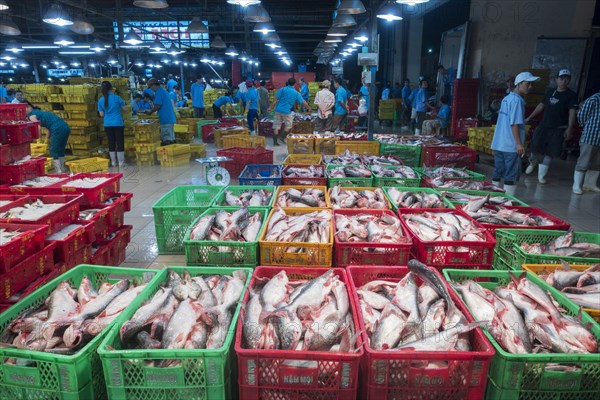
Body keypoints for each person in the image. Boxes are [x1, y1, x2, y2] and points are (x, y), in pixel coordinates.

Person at [524, 69, 578, 184]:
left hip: (559, 127)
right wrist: (529, 117)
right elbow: (541, 105)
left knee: (551, 151)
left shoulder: (571, 95)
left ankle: (541, 175)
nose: (564, 81)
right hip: (544, 125)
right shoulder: (550, 91)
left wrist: (570, 127)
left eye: (567, 79)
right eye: (561, 78)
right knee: (534, 145)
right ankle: (533, 162)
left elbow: (572, 112)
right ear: (556, 79)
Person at [490, 71, 540, 195]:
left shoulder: (507, 99)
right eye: (528, 84)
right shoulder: (517, 101)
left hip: (499, 143)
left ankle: (492, 198)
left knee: (498, 172)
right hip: (510, 145)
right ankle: (507, 202)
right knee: (511, 174)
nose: (530, 87)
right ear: (519, 84)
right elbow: (514, 124)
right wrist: (518, 144)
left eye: (531, 84)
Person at [25, 101, 70, 173]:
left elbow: (38, 127)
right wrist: (46, 139)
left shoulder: (31, 115)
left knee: (53, 150)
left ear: (28, 107)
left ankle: (58, 171)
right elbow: (49, 127)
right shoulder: (39, 112)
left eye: (25, 109)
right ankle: (62, 169)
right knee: (60, 149)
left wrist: (38, 140)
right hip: (65, 127)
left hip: (57, 128)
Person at [572, 89, 600, 194]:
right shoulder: (594, 99)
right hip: (590, 135)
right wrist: (586, 127)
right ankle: (577, 185)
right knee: (584, 161)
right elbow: (581, 115)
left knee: (597, 163)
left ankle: (590, 184)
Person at [269, 78, 311, 146]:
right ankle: (282, 137)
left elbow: (275, 100)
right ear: (294, 84)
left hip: (278, 110)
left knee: (276, 126)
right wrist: (309, 108)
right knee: (288, 126)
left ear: (287, 82)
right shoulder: (296, 93)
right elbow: (303, 102)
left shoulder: (282, 89)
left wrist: (270, 107)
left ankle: (275, 142)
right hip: (286, 111)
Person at [98, 81, 128, 169]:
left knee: (111, 142)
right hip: (118, 123)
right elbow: (125, 109)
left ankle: (113, 162)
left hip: (107, 124)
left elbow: (101, 114)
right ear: (111, 88)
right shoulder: (117, 98)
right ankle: (121, 163)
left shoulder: (100, 100)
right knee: (119, 142)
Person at [145, 78, 177, 146]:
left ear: (153, 85)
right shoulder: (163, 90)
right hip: (170, 118)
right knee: (171, 138)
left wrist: (150, 112)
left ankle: (168, 155)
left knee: (167, 140)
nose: (151, 89)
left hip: (165, 119)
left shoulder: (158, 92)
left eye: (150, 87)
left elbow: (157, 105)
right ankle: (173, 154)